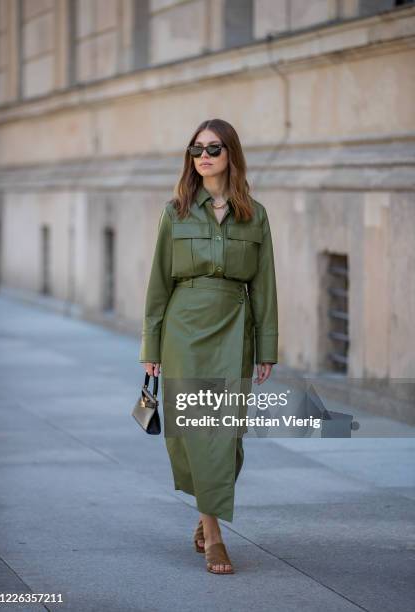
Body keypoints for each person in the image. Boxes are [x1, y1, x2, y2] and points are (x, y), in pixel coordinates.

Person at [139, 118, 278, 574]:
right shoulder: (174, 212)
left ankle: (206, 515)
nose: (203, 156)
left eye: (214, 148)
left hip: (234, 327)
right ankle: (214, 535)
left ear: (230, 155)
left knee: (227, 438)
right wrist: (152, 346)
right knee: (197, 433)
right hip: (183, 329)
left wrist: (266, 347)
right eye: (196, 148)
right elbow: (158, 284)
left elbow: (264, 287)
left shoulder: (254, 215)